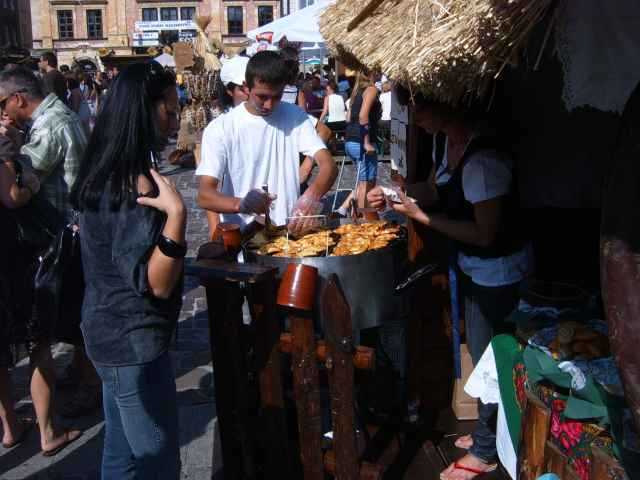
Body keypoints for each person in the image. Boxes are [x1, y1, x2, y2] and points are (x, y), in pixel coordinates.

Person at [367, 93, 531, 480]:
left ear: (448, 105)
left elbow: (485, 233)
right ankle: (490, 435)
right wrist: (396, 198)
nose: (411, 116)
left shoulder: (484, 162)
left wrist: (420, 216)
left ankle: (488, 450)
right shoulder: (448, 143)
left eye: (416, 107)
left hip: (500, 271)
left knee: (493, 355)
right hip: (475, 267)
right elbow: (436, 189)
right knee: (478, 348)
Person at [70, 61, 183, 479]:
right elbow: (156, 282)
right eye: (169, 110)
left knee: (121, 453)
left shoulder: (105, 167)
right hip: (130, 341)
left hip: (108, 332)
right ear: (143, 111)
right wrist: (176, 215)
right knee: (157, 458)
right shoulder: (133, 184)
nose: (176, 119)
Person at [0, 67, 99, 417]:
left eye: (3, 103)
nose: (4, 113)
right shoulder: (58, 115)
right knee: (77, 307)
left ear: (18, 99)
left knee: (73, 312)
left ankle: (90, 384)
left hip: (64, 230)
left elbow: (18, 191)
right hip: (73, 225)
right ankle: (82, 371)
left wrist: (7, 151)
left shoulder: (48, 126)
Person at [0, 104, 82, 456]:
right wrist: (27, 175)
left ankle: (10, 427)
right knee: (38, 344)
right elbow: (13, 197)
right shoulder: (3, 146)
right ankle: (47, 432)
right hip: (14, 257)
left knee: (2, 350)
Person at [197, 51, 337, 235]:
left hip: (288, 233)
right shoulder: (221, 128)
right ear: (246, 88)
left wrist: (311, 196)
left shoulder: (294, 115)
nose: (269, 105)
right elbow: (205, 195)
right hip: (243, 236)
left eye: (277, 96)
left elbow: (328, 165)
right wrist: (241, 204)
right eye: (262, 97)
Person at [344, 69, 382, 208]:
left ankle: (344, 209)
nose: (381, 72)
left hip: (350, 140)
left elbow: (348, 117)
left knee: (363, 181)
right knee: (367, 183)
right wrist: (366, 143)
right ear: (372, 72)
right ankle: (363, 220)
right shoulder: (371, 90)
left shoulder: (356, 91)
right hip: (362, 143)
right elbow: (363, 116)